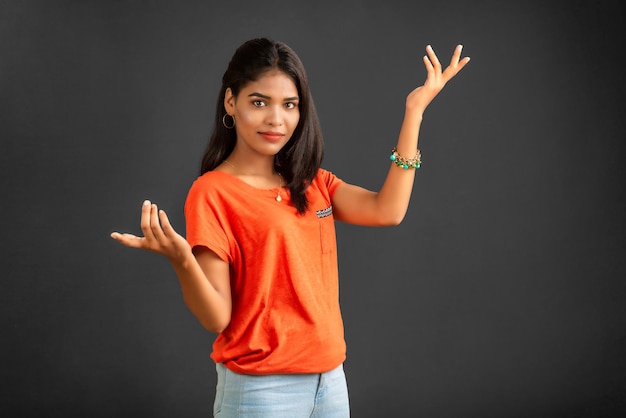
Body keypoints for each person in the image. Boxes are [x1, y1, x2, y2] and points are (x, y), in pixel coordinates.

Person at [110, 37, 470, 417]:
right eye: (259, 102)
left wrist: (414, 112)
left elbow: (387, 210)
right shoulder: (212, 192)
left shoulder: (312, 183)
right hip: (262, 390)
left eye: (290, 105)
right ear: (231, 102)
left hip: (330, 382)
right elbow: (217, 317)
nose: (276, 120)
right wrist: (182, 260)